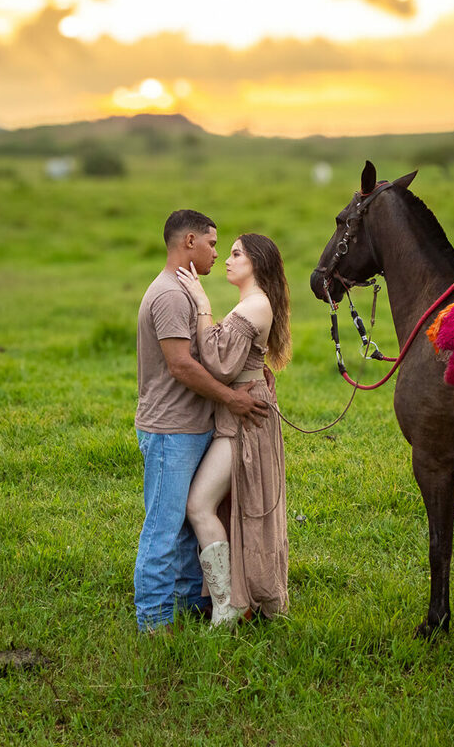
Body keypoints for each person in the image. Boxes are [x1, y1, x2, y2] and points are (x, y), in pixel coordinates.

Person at [134, 210, 271, 634]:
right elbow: (181, 365)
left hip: (192, 426)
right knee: (163, 529)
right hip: (171, 429)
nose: (217, 253)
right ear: (189, 241)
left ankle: (191, 603)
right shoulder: (172, 296)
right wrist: (233, 398)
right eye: (212, 244)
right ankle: (154, 622)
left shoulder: (186, 292)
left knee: (183, 526)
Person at [175, 233, 292, 627]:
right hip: (238, 412)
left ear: (256, 262)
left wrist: (203, 305)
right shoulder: (252, 302)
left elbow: (220, 364)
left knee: (199, 504)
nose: (226, 259)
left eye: (236, 253)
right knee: (220, 506)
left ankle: (228, 607)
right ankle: (228, 603)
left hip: (245, 419)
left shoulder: (256, 305)